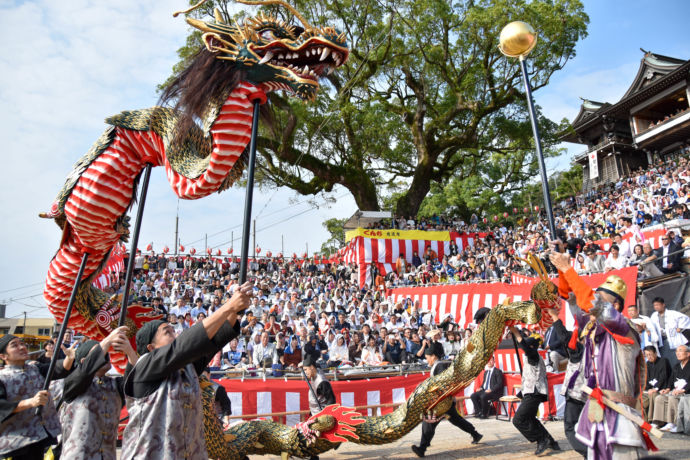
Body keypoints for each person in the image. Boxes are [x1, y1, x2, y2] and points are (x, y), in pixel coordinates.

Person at [121, 281, 252, 460]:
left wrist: (236, 310)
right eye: (167, 332)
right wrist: (228, 306)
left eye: (173, 331)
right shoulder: (144, 366)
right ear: (151, 348)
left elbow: (215, 341)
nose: (175, 335)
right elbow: (182, 347)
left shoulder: (186, 367)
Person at [550, 252, 648, 459]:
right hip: (597, 410)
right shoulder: (594, 327)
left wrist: (569, 269)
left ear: (616, 307)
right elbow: (571, 296)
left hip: (621, 413)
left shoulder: (624, 327)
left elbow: (592, 304)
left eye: (601, 301)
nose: (590, 308)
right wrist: (561, 267)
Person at [57, 326, 138, 460]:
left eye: (106, 353)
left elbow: (137, 377)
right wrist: (107, 341)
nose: (105, 355)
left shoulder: (115, 385)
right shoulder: (72, 384)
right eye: (100, 353)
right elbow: (84, 373)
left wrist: (129, 351)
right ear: (84, 361)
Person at [0, 334, 75, 460]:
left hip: (38, 436)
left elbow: (59, 369)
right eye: (15, 345)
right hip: (15, 443)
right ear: (3, 356)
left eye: (22, 343)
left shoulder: (35, 368)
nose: (22, 347)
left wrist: (69, 357)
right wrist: (31, 402)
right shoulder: (2, 377)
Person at [411, 346, 482, 458]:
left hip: (442, 403)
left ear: (433, 356)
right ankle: (476, 434)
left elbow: (442, 384)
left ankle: (422, 448)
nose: (427, 360)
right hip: (443, 403)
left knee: (429, 421)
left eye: (427, 357)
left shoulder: (440, 366)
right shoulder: (437, 366)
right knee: (457, 421)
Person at [508, 326, 561, 456]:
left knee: (519, 420)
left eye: (526, 346)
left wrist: (515, 332)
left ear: (531, 347)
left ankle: (541, 439)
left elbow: (525, 346)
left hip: (534, 393)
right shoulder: (532, 357)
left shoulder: (533, 355)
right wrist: (521, 393)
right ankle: (551, 441)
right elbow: (529, 377)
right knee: (531, 419)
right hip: (532, 392)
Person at [544, 302, 587, 458]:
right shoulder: (595, 350)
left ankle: (589, 453)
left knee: (570, 427)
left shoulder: (579, 350)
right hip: (589, 395)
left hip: (576, 394)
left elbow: (564, 336)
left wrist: (555, 316)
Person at [303, 355, 335, 460]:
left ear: (312, 367)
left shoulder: (322, 382)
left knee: (311, 435)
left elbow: (331, 400)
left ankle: (314, 456)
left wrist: (326, 416)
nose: (305, 372)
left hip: (321, 414)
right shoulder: (315, 372)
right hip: (314, 412)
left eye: (306, 369)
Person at [651, 344, 690, 432]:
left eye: (680, 351)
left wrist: (683, 390)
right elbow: (671, 379)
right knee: (660, 397)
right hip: (676, 390)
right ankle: (658, 422)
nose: (677, 353)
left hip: (686, 392)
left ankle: (674, 423)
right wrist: (667, 388)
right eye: (676, 351)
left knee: (673, 397)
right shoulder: (677, 366)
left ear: (688, 354)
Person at [649, 297, 690, 366]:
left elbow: (685, 318)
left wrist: (680, 327)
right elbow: (651, 326)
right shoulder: (654, 316)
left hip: (674, 339)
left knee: (678, 358)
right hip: (662, 340)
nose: (656, 307)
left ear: (663, 305)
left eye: (658, 305)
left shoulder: (672, 313)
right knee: (666, 360)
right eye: (655, 305)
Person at [642, 345, 671, 421]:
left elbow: (663, 376)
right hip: (652, 388)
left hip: (662, 387)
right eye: (647, 355)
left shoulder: (663, 361)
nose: (649, 357)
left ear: (655, 353)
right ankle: (642, 419)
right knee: (640, 395)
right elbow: (646, 379)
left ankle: (652, 419)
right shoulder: (647, 364)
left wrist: (656, 388)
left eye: (650, 354)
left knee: (653, 394)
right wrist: (647, 389)